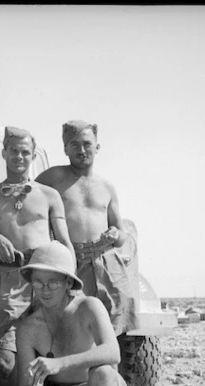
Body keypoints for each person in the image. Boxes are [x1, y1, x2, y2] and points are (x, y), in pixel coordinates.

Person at [0, 126, 75, 386]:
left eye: (26, 152)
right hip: (8, 284)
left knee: (49, 354)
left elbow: (65, 241)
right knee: (6, 363)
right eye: (14, 151)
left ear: (33, 156)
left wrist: (70, 284)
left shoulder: (49, 195)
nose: (19, 156)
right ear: (4, 153)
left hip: (47, 282)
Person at [36, 120, 136, 336]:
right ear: (65, 149)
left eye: (87, 144)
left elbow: (121, 232)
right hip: (68, 263)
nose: (81, 150)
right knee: (69, 327)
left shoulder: (107, 186)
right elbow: (29, 201)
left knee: (109, 328)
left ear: (97, 147)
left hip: (103, 264)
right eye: (74, 144)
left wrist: (115, 234)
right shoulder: (52, 178)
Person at [10, 241, 128, 386]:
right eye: (38, 283)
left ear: (69, 282)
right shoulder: (28, 327)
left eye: (53, 283)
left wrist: (59, 363)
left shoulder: (89, 307)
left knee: (103, 374)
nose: (45, 290)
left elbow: (113, 352)